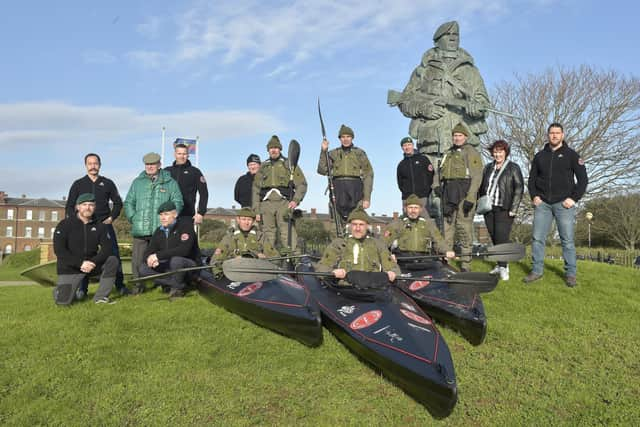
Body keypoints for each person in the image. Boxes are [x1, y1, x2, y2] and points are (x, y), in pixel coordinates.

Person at [390, 20, 490, 231]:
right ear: (438, 40)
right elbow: (404, 102)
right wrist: (423, 109)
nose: (454, 38)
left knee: (463, 193)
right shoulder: (423, 71)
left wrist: (475, 107)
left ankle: (463, 245)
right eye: (449, 35)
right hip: (432, 141)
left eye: (457, 35)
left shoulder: (470, 71)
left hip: (461, 143)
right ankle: (434, 243)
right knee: (433, 197)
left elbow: (483, 104)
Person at [524, 123, 588, 287]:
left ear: (563, 135)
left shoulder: (572, 155)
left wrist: (573, 199)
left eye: (557, 133)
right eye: (551, 133)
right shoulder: (539, 156)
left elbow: (583, 181)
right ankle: (536, 271)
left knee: (567, 240)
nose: (554, 136)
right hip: (543, 203)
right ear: (548, 135)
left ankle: (570, 274)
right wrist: (534, 196)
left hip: (564, 204)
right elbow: (531, 180)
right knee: (537, 238)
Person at [65, 153, 128, 297]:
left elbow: (118, 203)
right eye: (90, 163)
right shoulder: (78, 184)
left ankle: (120, 285)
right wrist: (76, 221)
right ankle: (82, 289)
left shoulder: (108, 183)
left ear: (100, 165)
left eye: (95, 163)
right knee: (84, 255)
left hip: (104, 225)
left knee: (114, 255)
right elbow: (69, 206)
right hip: (85, 226)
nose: (93, 166)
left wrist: (112, 217)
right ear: (86, 165)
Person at [124, 152, 183, 281]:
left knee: (163, 259)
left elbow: (178, 202)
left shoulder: (170, 183)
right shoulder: (137, 183)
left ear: (159, 165)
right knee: (137, 261)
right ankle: (137, 287)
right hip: (141, 229)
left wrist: (170, 218)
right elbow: (128, 202)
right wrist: (134, 218)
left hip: (162, 229)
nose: (150, 167)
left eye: (153, 164)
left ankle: (165, 284)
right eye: (147, 164)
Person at [53, 193, 119, 305]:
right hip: (71, 267)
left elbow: (107, 249)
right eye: (84, 204)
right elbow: (60, 251)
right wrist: (80, 264)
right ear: (78, 207)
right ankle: (60, 291)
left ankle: (100, 298)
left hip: (92, 265)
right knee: (63, 302)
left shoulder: (100, 225)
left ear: (95, 207)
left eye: (91, 205)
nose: (88, 207)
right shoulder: (64, 224)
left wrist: (92, 262)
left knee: (112, 260)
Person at [434, 123, 483, 272]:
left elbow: (477, 176)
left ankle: (465, 264)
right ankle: (446, 262)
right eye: (455, 136)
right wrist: (436, 186)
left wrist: (471, 198)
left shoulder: (471, 152)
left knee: (464, 229)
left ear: (465, 137)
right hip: (448, 194)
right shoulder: (448, 153)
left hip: (464, 193)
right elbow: (438, 172)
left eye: (460, 135)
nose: (457, 138)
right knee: (447, 229)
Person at [478, 140, 524, 281]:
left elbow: (519, 188)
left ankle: (504, 267)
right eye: (495, 151)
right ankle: (500, 264)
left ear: (506, 152)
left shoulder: (513, 167)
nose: (497, 154)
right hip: (489, 209)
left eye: (500, 151)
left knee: (501, 238)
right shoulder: (488, 168)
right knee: (494, 237)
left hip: (504, 208)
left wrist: (514, 208)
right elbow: (481, 187)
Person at [317, 208, 400, 285]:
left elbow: (393, 268)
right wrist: (332, 273)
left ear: (367, 226)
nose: (357, 228)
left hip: (374, 290)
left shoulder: (378, 245)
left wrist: (392, 273)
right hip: (346, 290)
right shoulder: (339, 244)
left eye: (361, 225)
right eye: (354, 224)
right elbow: (322, 267)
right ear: (349, 225)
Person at [252, 136, 307, 252]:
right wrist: (256, 210)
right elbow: (256, 189)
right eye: (271, 148)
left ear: (280, 149)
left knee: (287, 232)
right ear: (268, 150)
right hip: (266, 204)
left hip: (284, 203)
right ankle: (268, 260)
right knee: (267, 234)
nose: (273, 150)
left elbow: (302, 184)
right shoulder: (263, 166)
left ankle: (294, 259)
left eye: (276, 148)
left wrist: (295, 200)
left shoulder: (289, 164)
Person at [138, 201, 199, 298]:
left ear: (175, 214)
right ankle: (176, 284)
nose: (163, 217)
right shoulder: (159, 231)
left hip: (189, 266)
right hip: (169, 267)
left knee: (176, 260)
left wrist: (158, 256)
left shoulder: (185, 226)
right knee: (143, 268)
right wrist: (150, 259)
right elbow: (147, 253)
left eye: (166, 214)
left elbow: (184, 250)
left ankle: (176, 290)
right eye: (161, 215)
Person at [317, 124, 374, 226]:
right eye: (343, 137)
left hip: (355, 191)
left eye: (348, 137)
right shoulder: (333, 153)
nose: (345, 139)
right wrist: (323, 151)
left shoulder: (360, 153)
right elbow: (322, 170)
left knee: (355, 222)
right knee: (336, 225)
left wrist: (367, 198)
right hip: (337, 190)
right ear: (340, 139)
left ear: (352, 138)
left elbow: (368, 174)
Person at [384, 194, 455, 260]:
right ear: (405, 209)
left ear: (420, 209)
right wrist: (388, 255)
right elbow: (383, 242)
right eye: (410, 207)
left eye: (416, 208)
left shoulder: (428, 224)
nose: (413, 211)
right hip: (402, 259)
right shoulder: (397, 224)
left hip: (424, 258)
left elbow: (439, 240)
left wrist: (447, 250)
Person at [212, 207, 278, 271]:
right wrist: (233, 259)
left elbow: (275, 258)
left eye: (249, 220)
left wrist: (262, 258)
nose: (246, 223)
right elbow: (216, 261)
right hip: (234, 272)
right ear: (238, 220)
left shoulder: (261, 237)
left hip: (256, 272)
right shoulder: (229, 238)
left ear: (253, 221)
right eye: (243, 219)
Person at [165, 143, 209, 225]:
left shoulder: (195, 172)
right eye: (179, 154)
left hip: (187, 215)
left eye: (184, 154)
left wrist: (200, 213)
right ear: (174, 154)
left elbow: (204, 193)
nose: (182, 156)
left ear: (188, 155)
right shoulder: (166, 172)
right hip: (167, 215)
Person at [396, 137, 434, 215]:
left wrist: (426, 190)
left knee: (424, 220)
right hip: (407, 198)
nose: (407, 147)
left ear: (413, 146)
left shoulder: (423, 159)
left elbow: (431, 175)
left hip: (422, 197)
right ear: (402, 148)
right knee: (407, 222)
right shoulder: (401, 165)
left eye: (409, 145)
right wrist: (406, 192)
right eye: (405, 145)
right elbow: (400, 183)